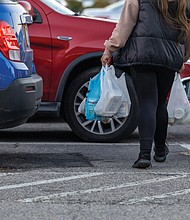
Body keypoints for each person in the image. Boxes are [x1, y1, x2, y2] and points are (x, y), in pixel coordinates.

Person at [101, 0, 190, 169]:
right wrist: (183, 57)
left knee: (147, 103)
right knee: (160, 103)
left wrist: (109, 49)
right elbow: (187, 32)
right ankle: (161, 150)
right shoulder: (182, 2)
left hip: (141, 54)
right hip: (169, 58)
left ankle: (144, 155)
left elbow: (124, 25)